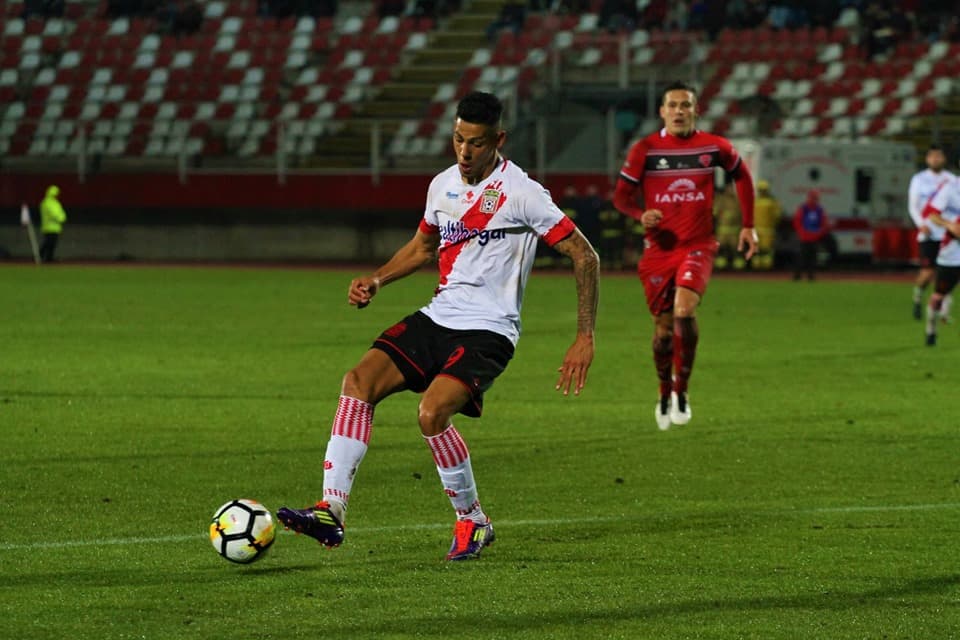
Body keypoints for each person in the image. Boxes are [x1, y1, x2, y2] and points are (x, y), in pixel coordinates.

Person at [276, 91, 599, 561]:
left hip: (489, 330)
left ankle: (473, 520)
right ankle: (332, 509)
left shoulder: (523, 193)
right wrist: (377, 279)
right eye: (458, 140)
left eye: (476, 143)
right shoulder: (442, 186)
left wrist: (584, 336)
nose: (465, 152)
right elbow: (423, 248)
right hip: (438, 316)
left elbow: (584, 254)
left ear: (498, 140)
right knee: (358, 381)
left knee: (431, 414)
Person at [613, 80, 757, 431]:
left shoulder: (713, 146)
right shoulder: (645, 149)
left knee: (684, 309)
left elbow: (742, 176)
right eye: (673, 105)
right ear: (662, 111)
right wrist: (639, 216)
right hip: (658, 251)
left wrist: (748, 225)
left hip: (698, 245)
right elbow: (621, 198)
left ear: (696, 110)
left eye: (686, 105)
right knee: (663, 332)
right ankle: (663, 390)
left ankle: (682, 389)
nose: (679, 111)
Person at [908, 144, 955, 321]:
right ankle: (918, 296)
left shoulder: (951, 180)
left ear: (944, 159)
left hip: (947, 234)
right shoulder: (919, 179)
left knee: (948, 274)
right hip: (927, 233)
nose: (935, 159)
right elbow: (913, 206)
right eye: (932, 156)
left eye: (939, 156)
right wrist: (920, 224)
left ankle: (943, 312)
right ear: (927, 159)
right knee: (927, 273)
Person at [919, 173, 960, 346]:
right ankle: (931, 330)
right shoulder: (951, 188)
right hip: (952, 254)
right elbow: (931, 214)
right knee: (939, 295)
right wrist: (949, 225)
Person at [792, 189, 830, 281]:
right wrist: (801, 233)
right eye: (813, 198)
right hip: (805, 237)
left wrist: (819, 233)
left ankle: (810, 276)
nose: (814, 200)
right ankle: (797, 275)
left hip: (814, 238)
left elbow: (824, 223)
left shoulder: (819, 210)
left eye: (816, 198)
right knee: (802, 258)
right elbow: (797, 222)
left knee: (812, 259)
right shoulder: (803, 208)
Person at [753, 179, 782, 270]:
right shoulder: (757, 201)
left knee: (766, 249)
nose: (762, 192)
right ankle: (757, 265)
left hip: (767, 230)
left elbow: (777, 215)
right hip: (758, 230)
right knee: (758, 250)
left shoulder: (771, 202)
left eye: (763, 190)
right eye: (761, 190)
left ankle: (766, 266)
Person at [712, 181, 742, 270]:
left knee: (735, 247)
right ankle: (722, 260)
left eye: (732, 189)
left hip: (734, 229)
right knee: (722, 246)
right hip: (723, 229)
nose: (731, 191)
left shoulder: (737, 200)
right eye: (729, 189)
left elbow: (741, 214)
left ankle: (737, 261)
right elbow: (715, 212)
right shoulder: (721, 200)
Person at [39, 185, 67, 263]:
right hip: (49, 227)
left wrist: (62, 217)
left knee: (52, 244)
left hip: (55, 227)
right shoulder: (47, 203)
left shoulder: (54, 203)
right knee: (49, 243)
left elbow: (60, 212)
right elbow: (55, 214)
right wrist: (61, 218)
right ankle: (42, 256)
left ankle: (48, 258)